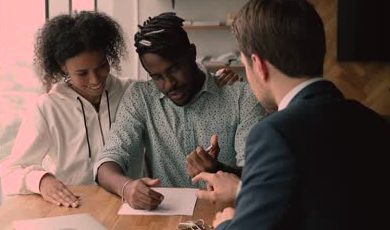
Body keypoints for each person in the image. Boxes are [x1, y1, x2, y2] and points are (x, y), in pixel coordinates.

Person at [192, 0, 390, 230]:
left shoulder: (274, 134)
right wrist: (244, 190)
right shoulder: (370, 120)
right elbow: (325, 204)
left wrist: (227, 225)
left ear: (259, 65)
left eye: (245, 65)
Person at [1, 11, 242, 208]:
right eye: (82, 73)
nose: (96, 80)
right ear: (62, 68)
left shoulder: (131, 91)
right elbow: (11, 171)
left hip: (128, 209)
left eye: (102, 66)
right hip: (70, 207)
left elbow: (173, 77)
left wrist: (214, 78)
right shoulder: (46, 107)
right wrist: (42, 180)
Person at [95, 12, 267, 210]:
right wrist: (125, 187)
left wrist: (218, 170)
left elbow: (257, 175)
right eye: (157, 77)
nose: (169, 84)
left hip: (225, 215)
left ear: (192, 54)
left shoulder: (241, 97)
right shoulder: (141, 97)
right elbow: (107, 161)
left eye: (174, 69)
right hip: (162, 218)